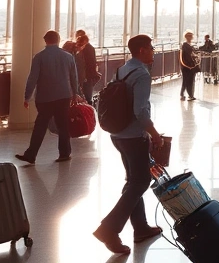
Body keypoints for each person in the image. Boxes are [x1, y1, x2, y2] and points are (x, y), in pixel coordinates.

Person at [92, 34, 164, 255]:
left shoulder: (122, 69)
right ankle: (109, 228)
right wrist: (155, 134)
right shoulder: (141, 73)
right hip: (134, 136)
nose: (153, 51)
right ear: (142, 50)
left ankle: (140, 228)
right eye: (151, 48)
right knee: (141, 181)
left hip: (118, 134)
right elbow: (140, 111)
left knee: (134, 179)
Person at [15, 30, 82, 164]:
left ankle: (31, 154)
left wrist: (27, 97)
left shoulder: (39, 57)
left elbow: (32, 78)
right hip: (64, 96)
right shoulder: (68, 57)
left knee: (40, 125)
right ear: (58, 40)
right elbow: (74, 77)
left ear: (45, 41)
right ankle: (64, 153)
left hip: (45, 98)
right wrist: (75, 93)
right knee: (63, 125)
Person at [75, 31, 98, 102]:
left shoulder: (80, 49)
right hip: (88, 76)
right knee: (88, 96)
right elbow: (93, 63)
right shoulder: (90, 48)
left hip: (84, 76)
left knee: (83, 96)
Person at [179, 31, 200, 101]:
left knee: (187, 80)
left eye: (191, 36)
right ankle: (188, 95)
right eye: (189, 36)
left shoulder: (187, 45)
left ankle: (186, 94)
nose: (190, 37)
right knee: (187, 80)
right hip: (187, 66)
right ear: (186, 37)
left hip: (189, 66)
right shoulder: (185, 45)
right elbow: (187, 57)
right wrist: (190, 65)